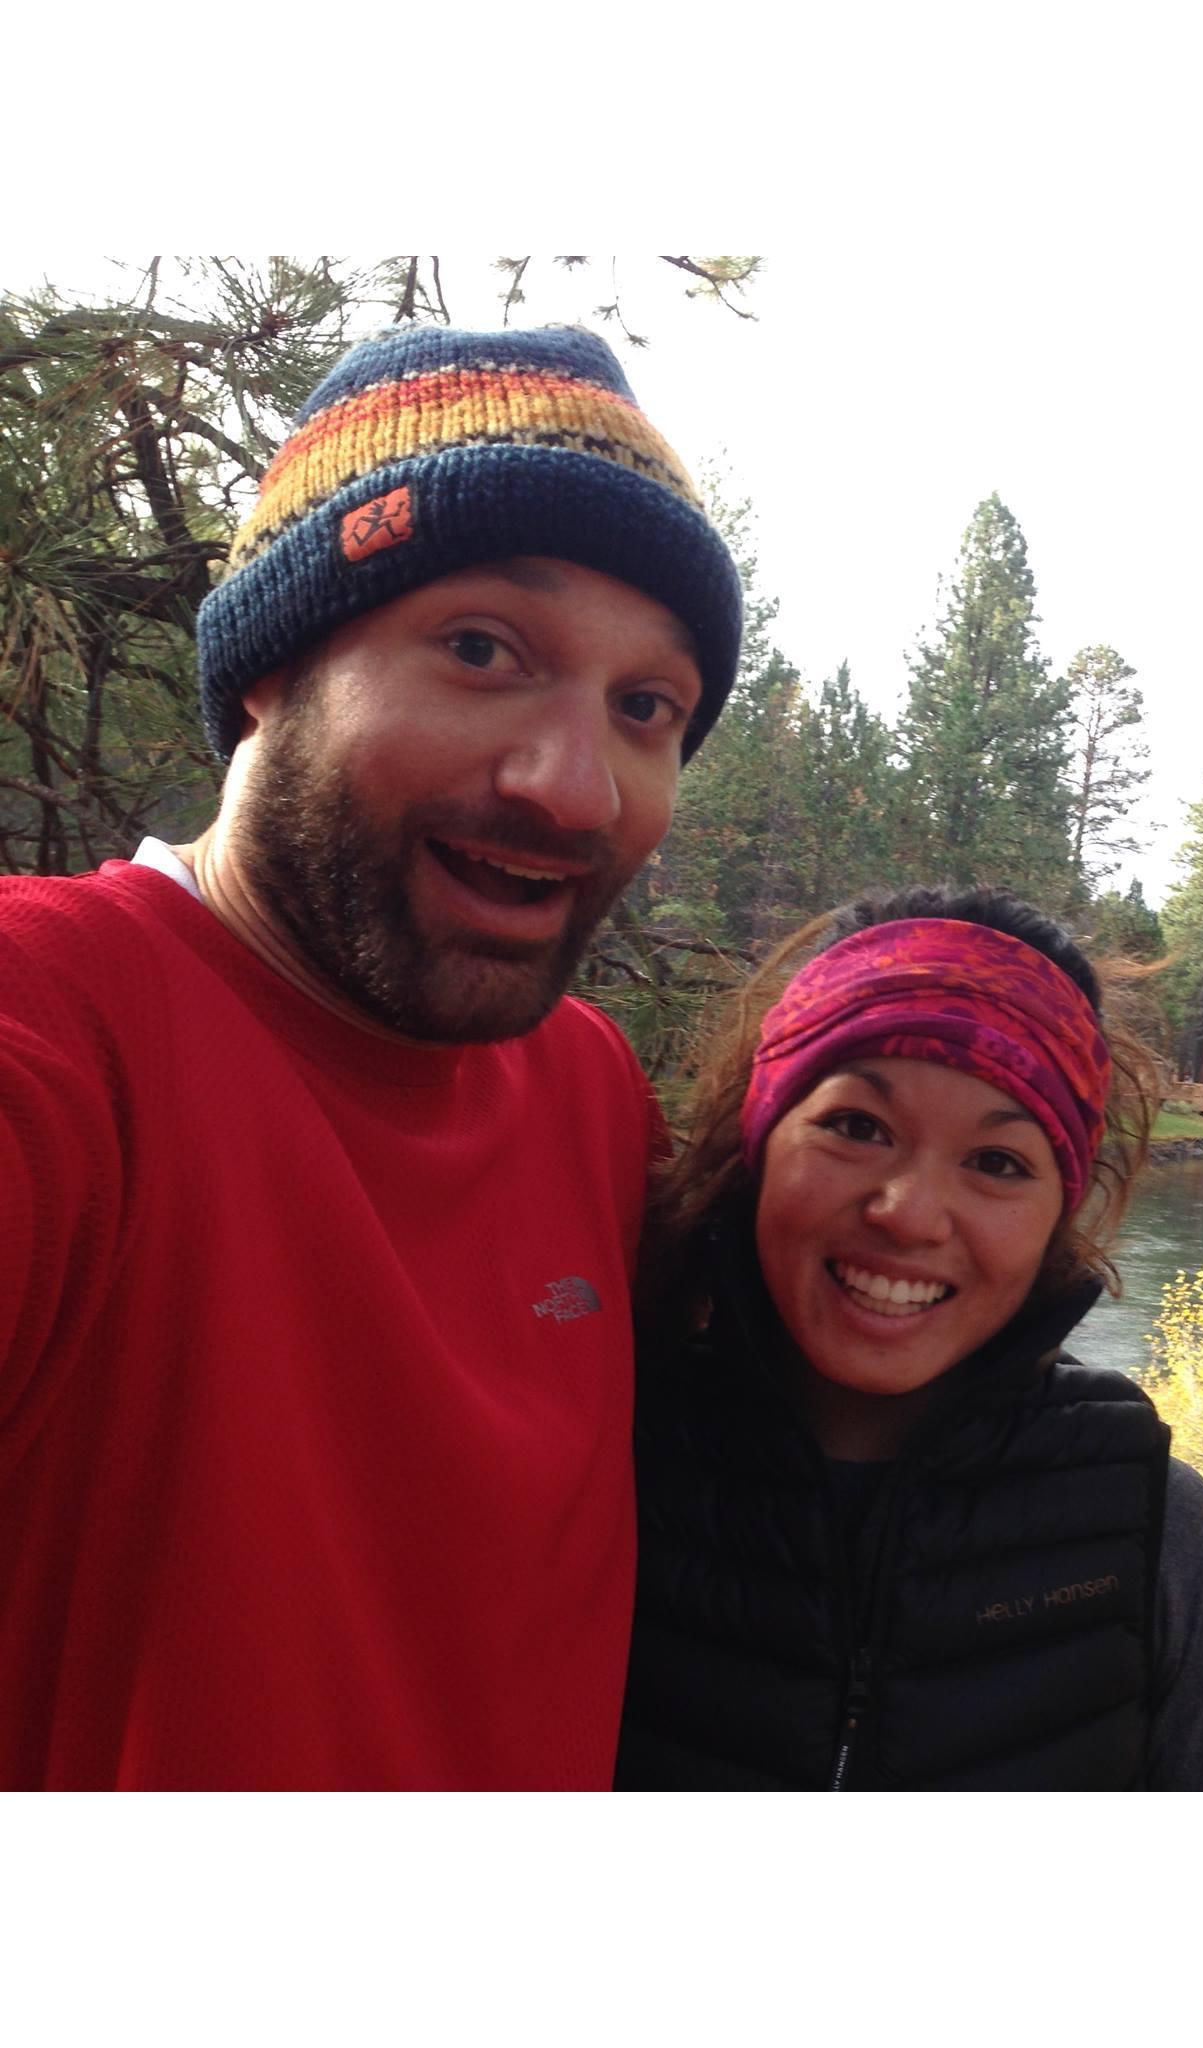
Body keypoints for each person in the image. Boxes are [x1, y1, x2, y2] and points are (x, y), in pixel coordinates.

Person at [0, 324, 743, 1788]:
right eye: (482, 650)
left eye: (645, 706)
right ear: (274, 669)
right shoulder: (64, 1026)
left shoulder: (588, 1098)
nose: (575, 787)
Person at [617, 885, 1203, 1790]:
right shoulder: (598, 1461)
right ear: (759, 1140)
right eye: (858, 1126)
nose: (910, 1215)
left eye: (997, 1162)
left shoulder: (1157, 1533)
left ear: (1059, 1213)